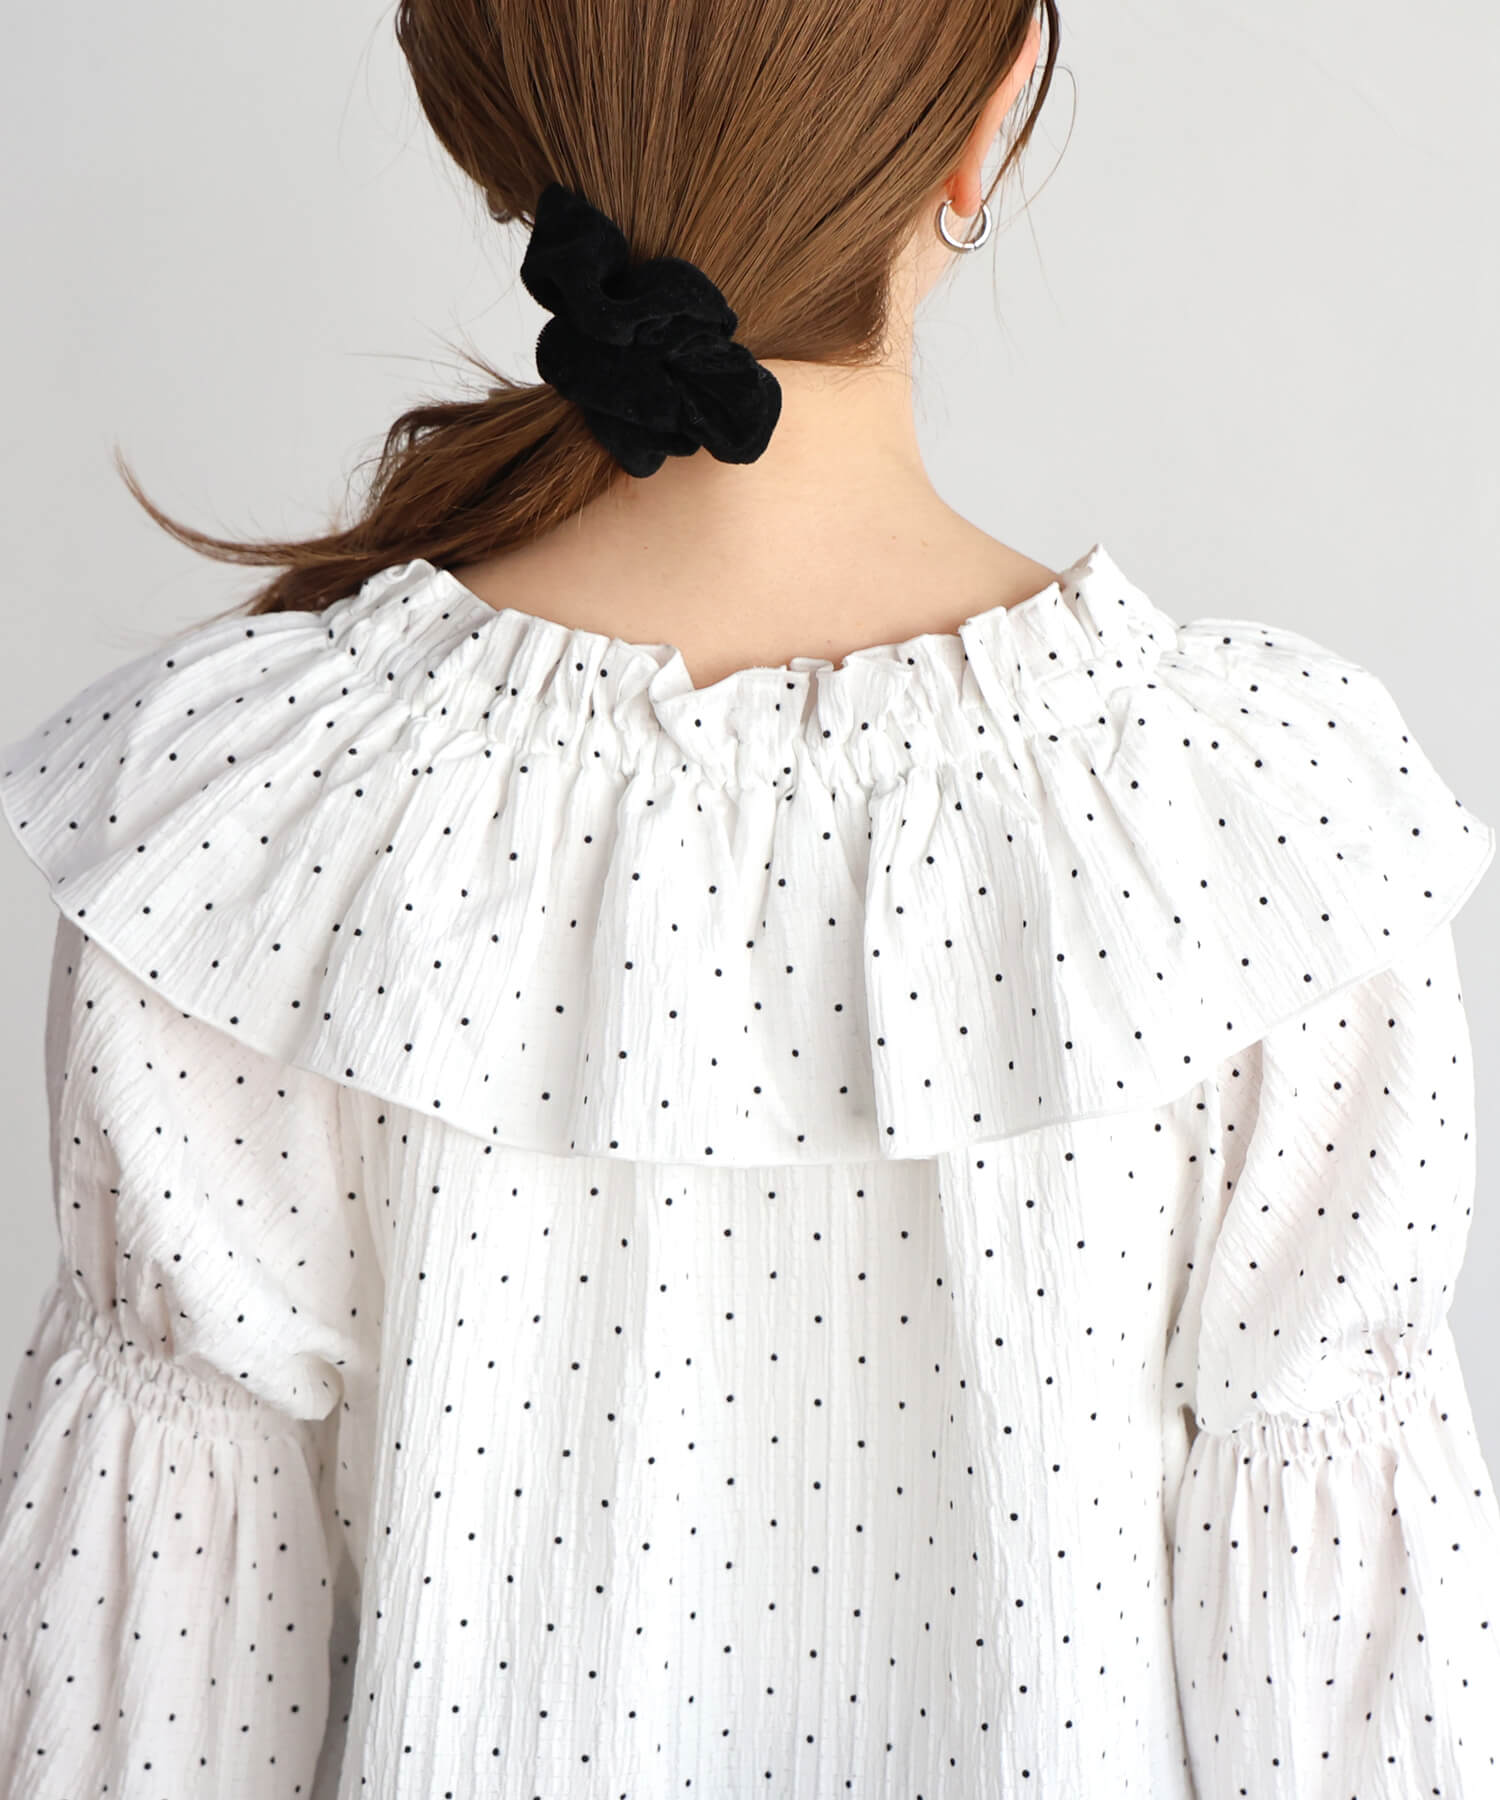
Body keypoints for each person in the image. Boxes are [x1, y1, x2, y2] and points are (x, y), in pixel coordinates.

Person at [1, 2, 1497, 1795]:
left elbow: (152, 1721)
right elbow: (1359, 1720)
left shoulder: (247, 830)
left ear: (492, 118)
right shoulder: (1263, 832)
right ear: (992, 117)